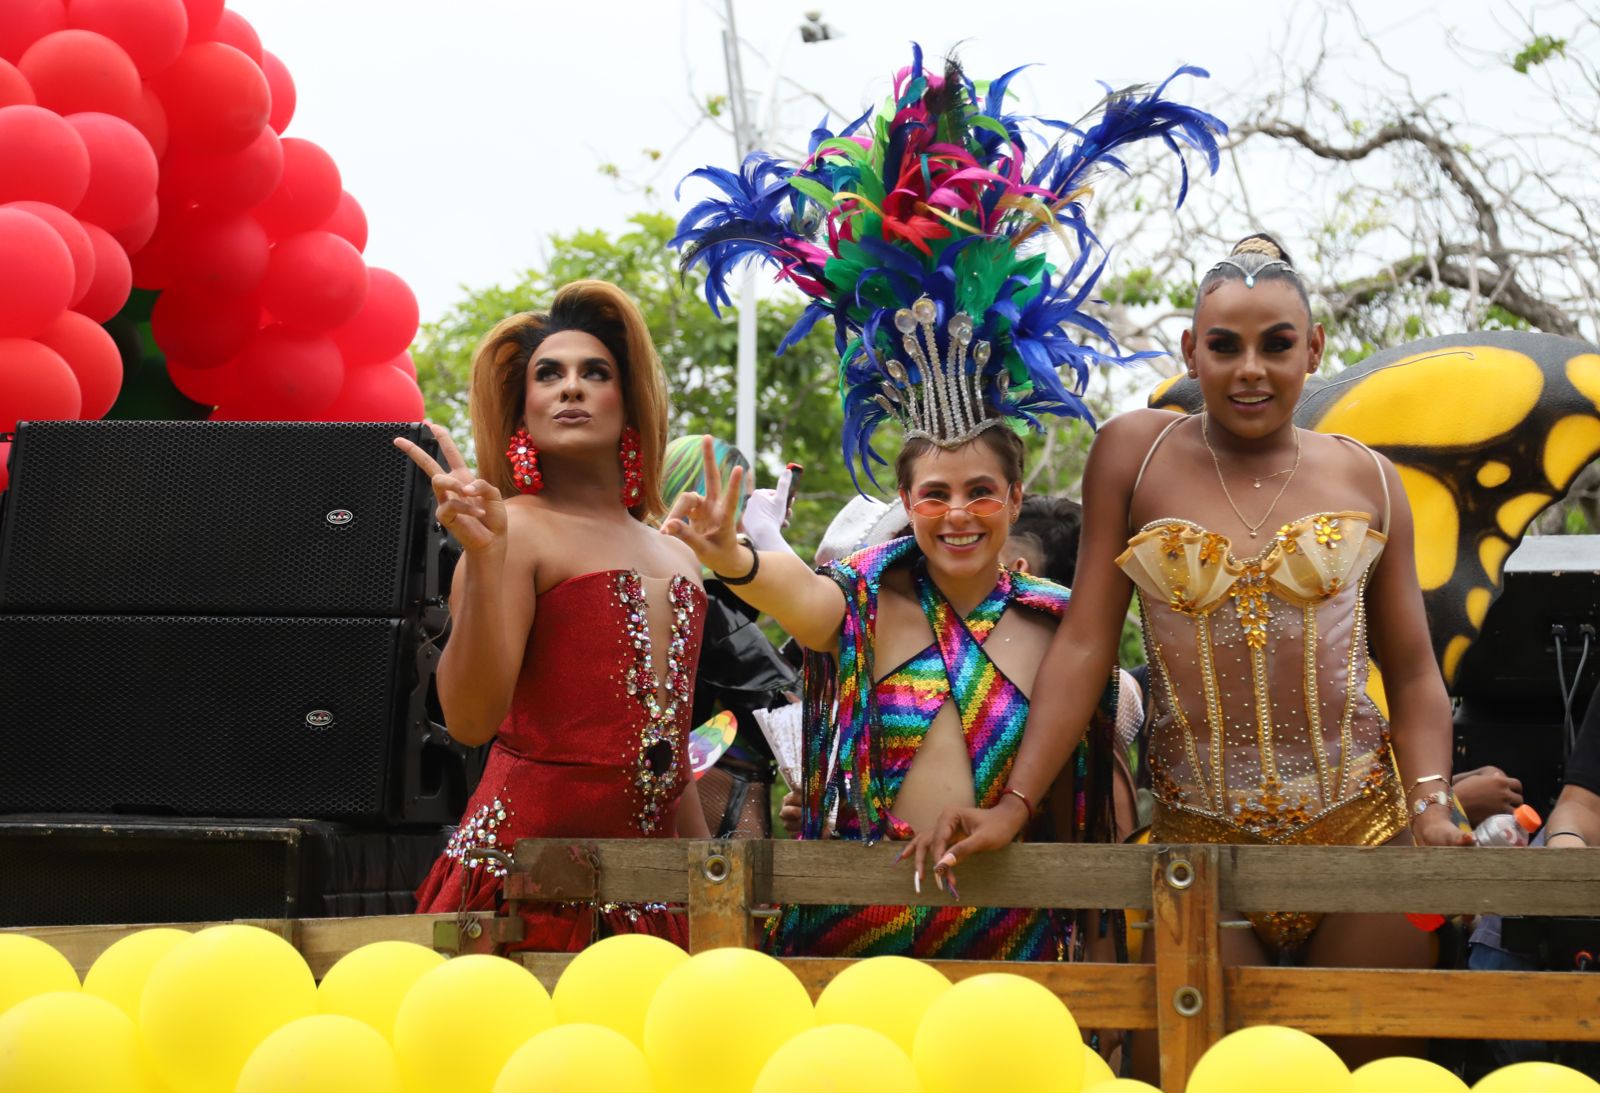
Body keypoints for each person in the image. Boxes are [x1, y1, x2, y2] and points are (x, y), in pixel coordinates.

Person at [669, 47, 1225, 958]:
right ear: (904, 499)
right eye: (935, 494)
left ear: (1014, 498)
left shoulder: (1058, 626)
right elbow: (791, 595)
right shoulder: (859, 601)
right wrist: (733, 556)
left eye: (979, 492)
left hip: (1015, 940)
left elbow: (1101, 795)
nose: (956, 513)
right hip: (847, 937)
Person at [910, 234, 1470, 1064]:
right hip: (1198, 857)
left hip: (1363, 839)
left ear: (1314, 348)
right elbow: (1087, 644)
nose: (1252, 368)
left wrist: (1431, 802)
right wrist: (1016, 803)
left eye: (1278, 344)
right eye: (1225, 345)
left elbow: (1416, 673)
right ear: (1189, 350)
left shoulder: (1369, 478)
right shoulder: (1136, 456)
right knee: (1205, 1076)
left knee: (1364, 1078)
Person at [399, 279, 710, 952]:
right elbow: (471, 719)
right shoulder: (514, 534)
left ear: (628, 402)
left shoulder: (679, 559)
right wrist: (483, 560)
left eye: (594, 372)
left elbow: (669, 761)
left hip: (655, 899)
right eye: (549, 374)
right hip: (521, 889)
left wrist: (716, 894)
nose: (571, 387)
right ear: (524, 410)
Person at [661, 434, 798, 838]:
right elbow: (798, 712)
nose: (751, 518)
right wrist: (771, 548)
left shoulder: (708, 603)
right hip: (711, 841)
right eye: (744, 501)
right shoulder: (704, 610)